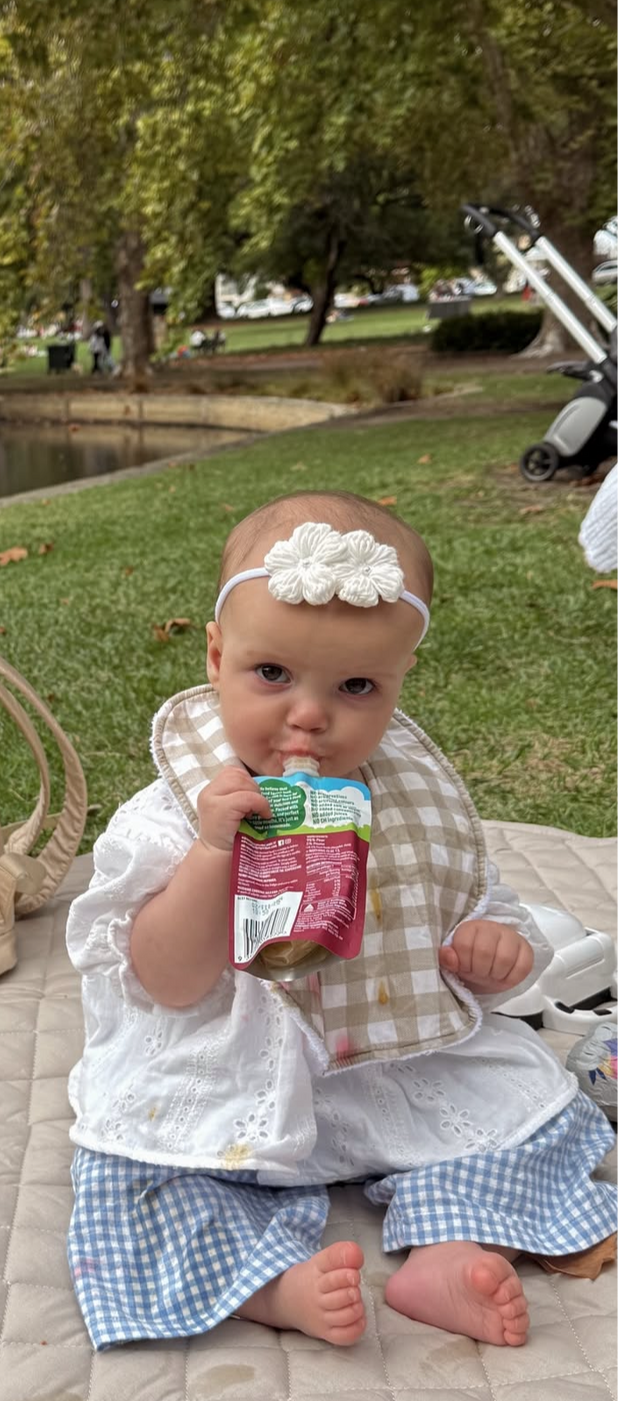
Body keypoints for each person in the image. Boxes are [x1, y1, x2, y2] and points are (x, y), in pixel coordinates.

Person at [65, 489, 618, 1352]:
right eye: (272, 674)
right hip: (236, 1063)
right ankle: (267, 1286)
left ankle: (453, 1249)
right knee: (144, 1180)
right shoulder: (177, 809)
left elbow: (475, 903)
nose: (310, 715)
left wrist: (493, 952)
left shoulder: (408, 797)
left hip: (392, 1057)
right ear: (216, 656)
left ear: (399, 681)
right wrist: (214, 853)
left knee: (536, 1119)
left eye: (357, 686)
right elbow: (164, 978)